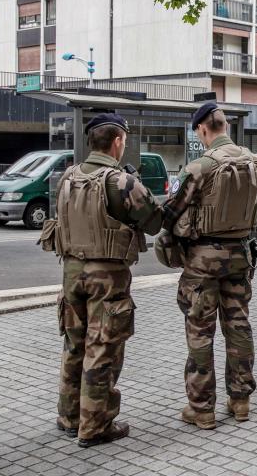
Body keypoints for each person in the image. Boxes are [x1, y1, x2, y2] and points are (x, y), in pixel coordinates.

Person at [42, 113, 163, 447]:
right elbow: (154, 221)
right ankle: (95, 426)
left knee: (74, 344)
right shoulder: (120, 181)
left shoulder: (68, 176)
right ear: (118, 141)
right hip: (107, 277)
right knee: (103, 348)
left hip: (70, 273)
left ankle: (69, 417)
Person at [155, 102, 257, 430]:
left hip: (202, 263)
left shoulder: (199, 168)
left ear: (203, 129)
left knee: (200, 333)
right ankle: (241, 399)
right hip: (241, 258)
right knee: (239, 325)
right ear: (226, 127)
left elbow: (170, 215)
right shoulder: (256, 165)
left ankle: (202, 409)